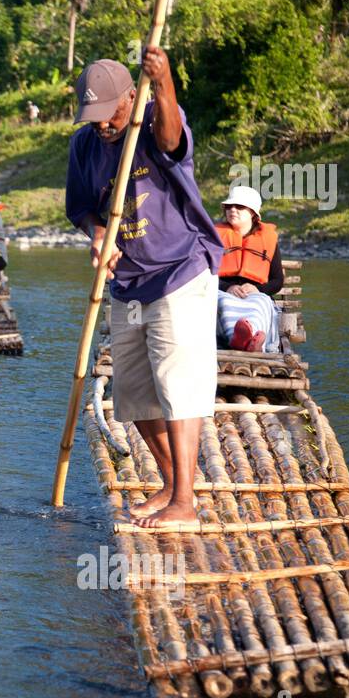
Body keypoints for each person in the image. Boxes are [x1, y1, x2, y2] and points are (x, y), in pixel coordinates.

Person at [65, 52, 224, 529]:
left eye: (110, 114)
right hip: (128, 283)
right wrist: (98, 236)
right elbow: (81, 209)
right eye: (92, 118)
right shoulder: (84, 146)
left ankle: (185, 504)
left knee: (178, 385)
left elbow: (173, 142)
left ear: (131, 99)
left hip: (179, 271)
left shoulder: (154, 119)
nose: (103, 126)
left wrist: (165, 81)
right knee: (135, 393)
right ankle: (173, 485)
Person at [215, 185, 282, 352]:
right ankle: (237, 339)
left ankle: (251, 338)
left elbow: (277, 281)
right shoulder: (215, 237)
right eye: (229, 206)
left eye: (239, 206)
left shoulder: (269, 240)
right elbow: (203, 273)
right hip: (223, 291)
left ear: (252, 213)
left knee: (261, 304)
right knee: (223, 302)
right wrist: (227, 287)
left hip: (256, 295)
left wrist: (257, 289)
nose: (233, 210)